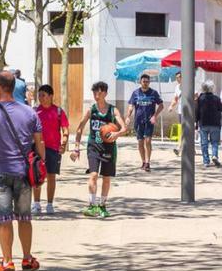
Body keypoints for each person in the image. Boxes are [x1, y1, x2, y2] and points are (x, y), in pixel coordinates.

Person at [0, 70, 45, 271]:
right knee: (24, 217)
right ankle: (27, 258)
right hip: (23, 172)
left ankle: (7, 262)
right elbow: (39, 143)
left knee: (4, 219)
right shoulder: (29, 112)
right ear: (14, 88)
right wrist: (40, 166)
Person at [71, 81, 127, 218]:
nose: (96, 94)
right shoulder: (91, 110)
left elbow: (124, 128)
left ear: (105, 93)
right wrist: (76, 148)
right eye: (94, 92)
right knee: (93, 175)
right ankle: (92, 205)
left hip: (108, 148)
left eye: (99, 92)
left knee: (106, 178)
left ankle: (102, 206)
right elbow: (79, 129)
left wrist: (117, 134)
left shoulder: (113, 110)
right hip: (93, 147)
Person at [33, 84, 70, 215]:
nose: (40, 98)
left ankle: (49, 204)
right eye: (39, 95)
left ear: (51, 96)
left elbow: (65, 128)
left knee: (51, 176)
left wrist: (64, 142)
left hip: (53, 149)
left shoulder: (58, 111)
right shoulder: (35, 112)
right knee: (36, 176)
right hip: (37, 148)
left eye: (43, 95)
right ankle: (36, 204)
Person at [126, 73, 163, 172]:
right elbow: (131, 106)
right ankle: (143, 161)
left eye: (147, 82)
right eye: (144, 81)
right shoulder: (135, 93)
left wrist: (155, 116)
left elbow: (161, 105)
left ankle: (147, 162)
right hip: (138, 121)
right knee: (140, 142)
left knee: (148, 141)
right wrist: (128, 117)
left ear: (149, 82)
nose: (145, 83)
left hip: (149, 121)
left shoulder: (153, 93)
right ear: (140, 82)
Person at [196, 80, 222, 167]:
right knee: (214, 142)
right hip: (215, 122)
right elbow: (221, 109)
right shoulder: (216, 98)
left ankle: (206, 161)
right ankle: (215, 155)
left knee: (204, 143)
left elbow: (197, 111)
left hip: (203, 122)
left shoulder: (200, 99)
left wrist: (196, 121)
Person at [169, 73, 184, 155]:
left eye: (179, 77)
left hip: (189, 111)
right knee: (183, 129)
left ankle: (179, 148)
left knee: (185, 130)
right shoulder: (177, 87)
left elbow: (196, 96)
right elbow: (175, 98)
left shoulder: (189, 84)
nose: (177, 79)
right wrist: (171, 106)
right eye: (176, 77)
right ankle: (191, 148)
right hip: (180, 111)